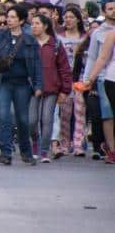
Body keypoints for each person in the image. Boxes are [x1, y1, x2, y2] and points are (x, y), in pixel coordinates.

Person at [0, 5, 42, 166]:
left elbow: (37, 64)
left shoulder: (29, 39)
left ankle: (26, 153)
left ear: (21, 20)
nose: (9, 20)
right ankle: (6, 153)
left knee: (23, 119)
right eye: (8, 17)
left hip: (23, 84)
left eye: (12, 17)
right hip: (2, 82)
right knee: (3, 117)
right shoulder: (0, 36)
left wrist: (39, 85)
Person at [29, 14, 72, 163]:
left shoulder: (56, 45)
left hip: (52, 89)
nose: (33, 26)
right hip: (32, 89)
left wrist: (65, 90)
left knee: (47, 119)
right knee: (32, 121)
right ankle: (35, 142)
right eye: (32, 23)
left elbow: (64, 69)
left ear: (45, 26)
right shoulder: (28, 43)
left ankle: (44, 151)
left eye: (37, 23)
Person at [82, 0, 115, 163]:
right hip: (104, 78)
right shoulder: (98, 33)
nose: (114, 11)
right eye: (110, 8)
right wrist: (88, 79)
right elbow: (94, 58)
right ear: (104, 11)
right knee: (108, 114)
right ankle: (111, 149)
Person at [56, 7, 86, 156]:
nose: (67, 20)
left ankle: (79, 144)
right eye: (66, 17)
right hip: (65, 79)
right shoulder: (59, 37)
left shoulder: (85, 37)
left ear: (78, 19)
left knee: (80, 112)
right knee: (65, 114)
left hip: (81, 78)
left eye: (71, 17)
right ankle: (64, 143)